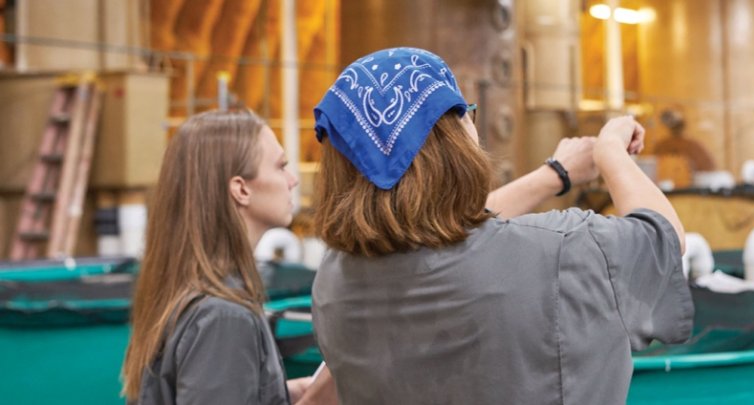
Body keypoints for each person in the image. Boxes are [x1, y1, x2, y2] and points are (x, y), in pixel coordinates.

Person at [310, 48, 693, 404]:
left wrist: (553, 175)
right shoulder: (563, 253)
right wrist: (611, 151)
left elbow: (439, 234)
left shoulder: (333, 283)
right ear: (455, 138)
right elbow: (662, 237)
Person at [121, 110, 337, 405]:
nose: (292, 180)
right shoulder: (223, 317)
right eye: (281, 166)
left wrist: (282, 393)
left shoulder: (194, 297)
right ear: (241, 189)